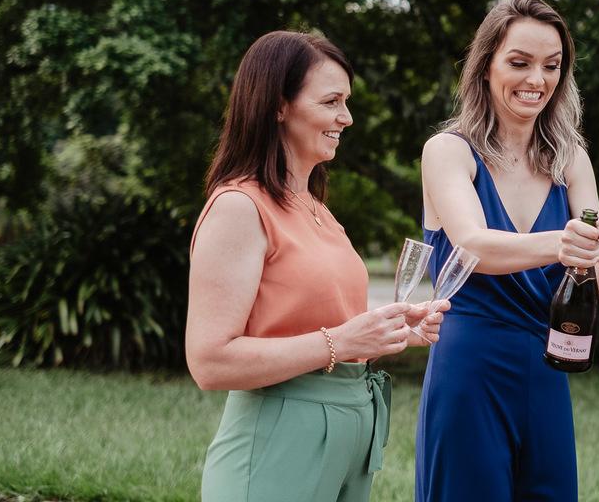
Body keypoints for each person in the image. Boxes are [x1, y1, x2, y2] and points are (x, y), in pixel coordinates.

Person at [186, 31, 446, 502]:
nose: (346, 118)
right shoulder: (239, 207)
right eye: (331, 101)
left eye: (346, 101)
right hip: (278, 443)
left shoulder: (318, 208)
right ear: (278, 105)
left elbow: (319, 323)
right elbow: (209, 362)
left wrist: (389, 332)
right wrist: (342, 341)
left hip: (350, 437)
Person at [414, 0, 599, 502]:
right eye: (519, 63)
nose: (536, 80)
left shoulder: (571, 159)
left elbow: (593, 265)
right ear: (485, 67)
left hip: (548, 366)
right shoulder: (449, 152)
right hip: (469, 364)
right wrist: (566, 244)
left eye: (551, 66)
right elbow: (475, 246)